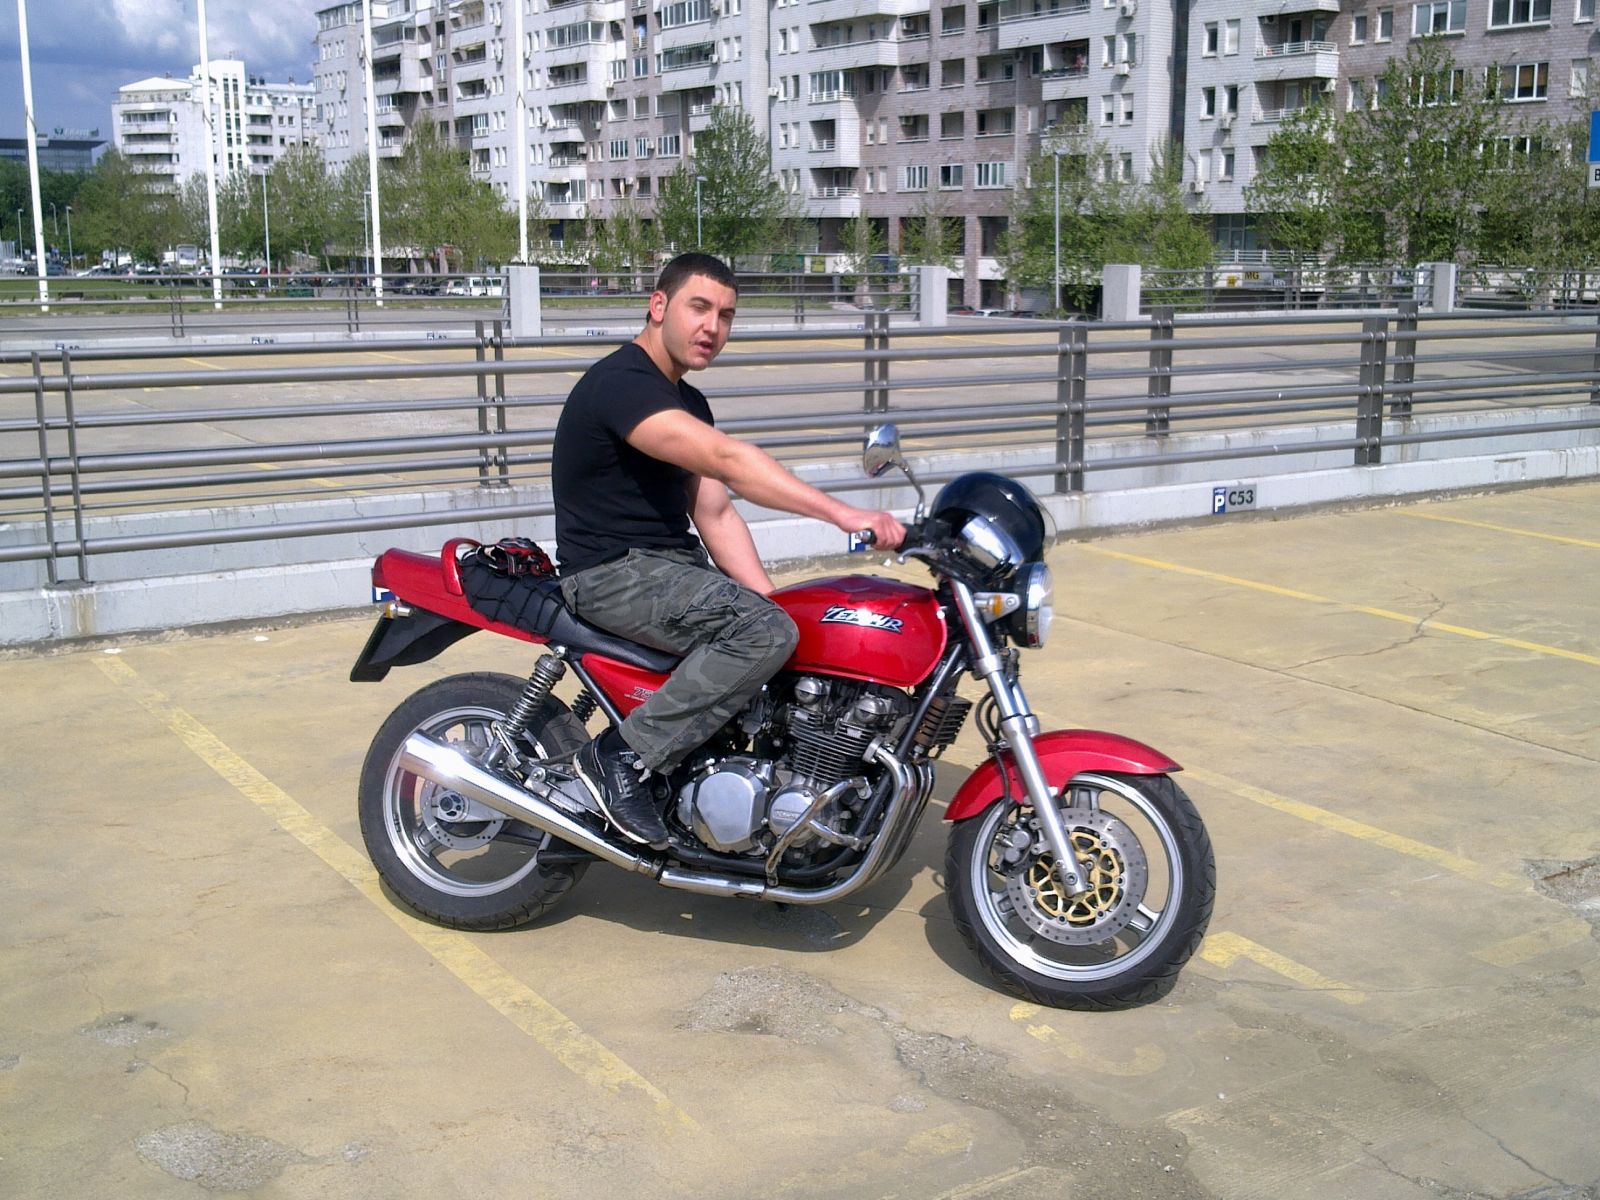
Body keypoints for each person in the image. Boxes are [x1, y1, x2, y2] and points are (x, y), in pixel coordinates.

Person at [552, 253, 904, 847]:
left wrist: (776, 604)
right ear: (658, 305)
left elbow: (714, 512)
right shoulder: (623, 384)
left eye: (726, 315)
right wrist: (844, 514)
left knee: (784, 630)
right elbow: (729, 462)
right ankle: (618, 758)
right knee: (762, 631)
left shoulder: (688, 402)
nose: (712, 327)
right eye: (699, 307)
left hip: (668, 569)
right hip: (612, 574)